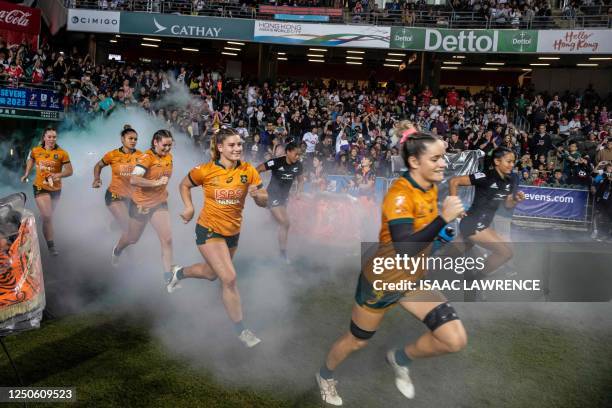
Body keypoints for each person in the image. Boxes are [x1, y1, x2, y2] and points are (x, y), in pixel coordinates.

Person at [316, 132, 467, 406]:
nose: (443, 163)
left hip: (412, 279)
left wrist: (443, 234)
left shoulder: (430, 186)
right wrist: (443, 218)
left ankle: (399, 358)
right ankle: (325, 376)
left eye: (442, 157)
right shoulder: (399, 194)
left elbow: (423, 236)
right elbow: (405, 248)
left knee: (453, 339)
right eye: (435, 158)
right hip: (382, 282)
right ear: (413, 161)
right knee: (357, 341)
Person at [167, 128, 268, 348]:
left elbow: (263, 198)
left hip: (233, 233)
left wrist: (260, 197)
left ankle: (179, 273)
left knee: (212, 274)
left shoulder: (249, 170)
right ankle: (241, 330)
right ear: (220, 147)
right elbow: (183, 184)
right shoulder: (205, 170)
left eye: (239, 144)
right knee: (229, 278)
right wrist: (189, 207)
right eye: (232, 145)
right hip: (208, 231)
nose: (237, 148)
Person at [449, 147, 526, 284]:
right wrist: (455, 206)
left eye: (513, 162)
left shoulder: (511, 180)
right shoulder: (485, 176)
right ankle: (473, 280)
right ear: (497, 161)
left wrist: (515, 200)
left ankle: (425, 272)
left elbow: (507, 204)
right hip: (472, 223)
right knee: (505, 253)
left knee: (449, 255)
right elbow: (454, 181)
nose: (512, 165)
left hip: (484, 224)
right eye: (508, 161)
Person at [111, 129, 175, 283]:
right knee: (133, 239)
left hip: (159, 203)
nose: (167, 149)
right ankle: (118, 250)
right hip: (141, 204)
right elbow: (134, 179)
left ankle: (169, 278)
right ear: (155, 142)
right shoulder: (146, 158)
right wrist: (154, 183)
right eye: (164, 145)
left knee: (167, 239)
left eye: (170, 146)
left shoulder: (169, 157)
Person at [20, 127, 73, 256]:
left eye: (54, 137)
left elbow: (69, 171)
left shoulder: (62, 153)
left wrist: (58, 175)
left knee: (47, 217)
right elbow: (31, 158)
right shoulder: (36, 150)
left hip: (56, 189)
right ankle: (51, 246)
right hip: (40, 186)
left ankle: (40, 221)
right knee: (48, 216)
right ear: (44, 137)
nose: (51, 139)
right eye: (49, 137)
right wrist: (26, 173)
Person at [256, 142, 304, 263]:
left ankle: (259, 235)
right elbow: (257, 169)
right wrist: (258, 187)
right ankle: (282, 255)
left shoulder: (298, 165)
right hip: (272, 196)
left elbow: (301, 180)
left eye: (299, 155)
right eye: (296, 154)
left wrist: (299, 191)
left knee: (274, 224)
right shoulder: (276, 162)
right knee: (285, 223)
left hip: (284, 198)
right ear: (288, 152)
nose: (298, 157)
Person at [92, 125, 141, 232]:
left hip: (132, 198)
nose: (133, 141)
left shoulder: (141, 156)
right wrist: (96, 179)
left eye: (135, 139)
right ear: (122, 140)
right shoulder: (112, 154)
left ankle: (112, 227)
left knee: (135, 224)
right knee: (127, 224)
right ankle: (122, 247)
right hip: (114, 195)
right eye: (130, 139)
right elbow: (98, 166)